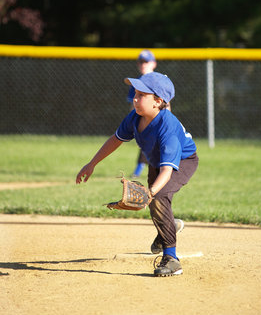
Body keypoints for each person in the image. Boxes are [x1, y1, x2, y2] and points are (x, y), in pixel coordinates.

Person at [76, 72, 199, 277]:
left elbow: (167, 170)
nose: (135, 98)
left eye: (142, 95)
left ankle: (172, 259)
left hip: (182, 161)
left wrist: (150, 192)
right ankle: (168, 227)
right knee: (156, 200)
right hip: (156, 161)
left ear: (158, 101)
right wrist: (92, 163)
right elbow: (116, 140)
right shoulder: (135, 117)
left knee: (158, 196)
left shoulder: (167, 127)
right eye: (136, 93)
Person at [127, 50, 157, 178]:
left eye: (146, 61)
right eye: (140, 62)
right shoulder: (135, 82)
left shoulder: (158, 80)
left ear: (153, 64)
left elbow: (166, 104)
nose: (143, 64)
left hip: (157, 118)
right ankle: (140, 170)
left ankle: (141, 171)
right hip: (142, 119)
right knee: (147, 144)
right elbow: (132, 104)